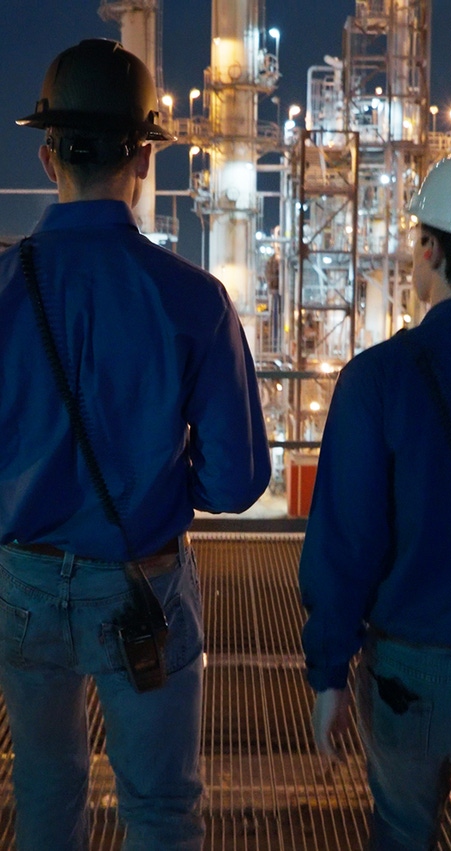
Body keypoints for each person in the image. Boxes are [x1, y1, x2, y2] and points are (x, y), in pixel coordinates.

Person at [0, 39, 271, 851]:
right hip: (142, 590)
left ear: (48, 156)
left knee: (45, 795)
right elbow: (235, 480)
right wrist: (156, 480)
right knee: (159, 808)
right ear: (146, 159)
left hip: (22, 583)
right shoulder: (192, 299)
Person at [298, 145, 451, 851]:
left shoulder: (379, 378)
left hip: (409, 668)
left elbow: (348, 542)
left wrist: (328, 673)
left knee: (402, 830)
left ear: (431, 248)